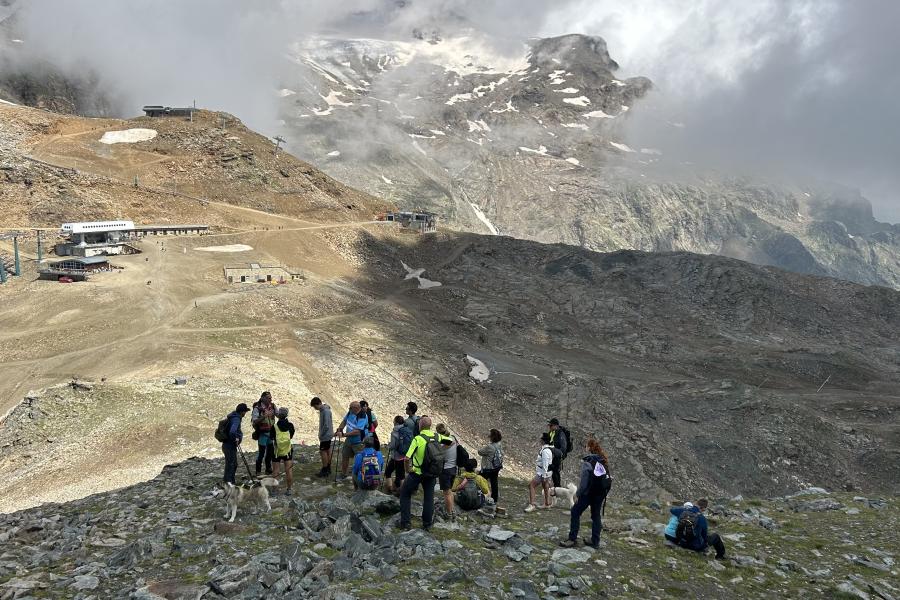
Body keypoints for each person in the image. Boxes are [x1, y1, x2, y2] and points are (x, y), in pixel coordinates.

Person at [560, 438, 612, 549]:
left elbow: (584, 483)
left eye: (586, 446)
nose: (585, 447)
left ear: (589, 448)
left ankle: (572, 539)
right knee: (596, 516)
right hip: (600, 494)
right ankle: (595, 541)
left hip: (588, 493)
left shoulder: (588, 462)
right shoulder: (602, 460)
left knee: (575, 512)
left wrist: (577, 494)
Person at [399, 416, 444, 530]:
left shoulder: (418, 439)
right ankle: (427, 524)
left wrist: (408, 470)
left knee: (405, 493)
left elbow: (407, 458)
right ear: (430, 426)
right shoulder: (437, 436)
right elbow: (451, 441)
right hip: (432, 473)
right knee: (429, 498)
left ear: (420, 426)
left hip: (417, 472)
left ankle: (406, 523)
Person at [334, 401, 368, 480]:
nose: (349, 409)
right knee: (345, 456)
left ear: (356, 408)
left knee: (360, 459)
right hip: (349, 439)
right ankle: (343, 474)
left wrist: (344, 435)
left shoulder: (363, 416)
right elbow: (344, 421)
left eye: (350, 408)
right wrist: (340, 429)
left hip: (359, 441)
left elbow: (357, 431)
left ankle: (361, 476)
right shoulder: (350, 412)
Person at [221, 403, 250, 485]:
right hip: (230, 445)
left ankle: (228, 482)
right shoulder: (236, 419)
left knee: (230, 463)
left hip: (227, 444)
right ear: (242, 412)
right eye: (245, 411)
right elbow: (232, 431)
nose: (245, 414)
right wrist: (236, 438)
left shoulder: (233, 417)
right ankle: (229, 483)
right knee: (232, 464)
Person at [435, 423, 459, 519]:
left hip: (445, 469)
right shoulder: (453, 437)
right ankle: (452, 511)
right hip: (453, 468)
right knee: (450, 491)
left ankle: (449, 514)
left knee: (446, 493)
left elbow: (437, 453)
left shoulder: (442, 443)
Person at [526, 433, 554, 512]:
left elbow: (545, 464)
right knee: (545, 487)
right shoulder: (548, 449)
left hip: (542, 472)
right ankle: (547, 503)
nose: (540, 439)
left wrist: (544, 476)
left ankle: (532, 505)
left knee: (531, 485)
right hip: (547, 473)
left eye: (541, 438)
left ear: (543, 440)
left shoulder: (545, 451)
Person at [251, 391, 277, 476]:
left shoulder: (272, 406)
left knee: (270, 452)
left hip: (271, 434)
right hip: (262, 434)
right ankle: (258, 471)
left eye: (271, 398)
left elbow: (278, 414)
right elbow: (254, 421)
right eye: (269, 398)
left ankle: (268, 468)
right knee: (261, 453)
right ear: (263, 398)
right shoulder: (257, 408)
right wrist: (264, 416)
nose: (270, 399)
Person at [271, 407, 296, 495]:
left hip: (276, 451)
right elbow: (291, 436)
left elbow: (271, 437)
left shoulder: (274, 426)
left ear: (278, 416)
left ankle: (274, 490)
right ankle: (289, 489)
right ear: (286, 415)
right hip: (288, 450)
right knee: (288, 470)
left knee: (276, 470)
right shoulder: (290, 425)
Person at [477, 428, 503, 504]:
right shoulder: (499, 445)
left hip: (488, 468)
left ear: (492, 436)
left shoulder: (489, 446)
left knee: (479, 481)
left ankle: (479, 497)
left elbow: (480, 452)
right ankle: (494, 499)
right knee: (494, 482)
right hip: (496, 467)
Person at [310, 397, 333, 478]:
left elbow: (326, 425)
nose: (315, 408)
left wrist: (320, 434)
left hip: (325, 435)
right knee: (327, 451)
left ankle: (325, 469)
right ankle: (328, 468)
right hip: (328, 434)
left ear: (318, 403)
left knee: (323, 452)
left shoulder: (325, 411)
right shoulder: (325, 410)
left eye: (315, 406)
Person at [384, 415, 408, 493]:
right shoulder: (406, 429)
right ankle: (401, 491)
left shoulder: (395, 431)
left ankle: (390, 489)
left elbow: (393, 445)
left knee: (388, 472)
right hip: (404, 455)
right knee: (401, 475)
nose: (393, 422)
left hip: (396, 456)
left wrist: (389, 446)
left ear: (396, 422)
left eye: (394, 421)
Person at [548, 418, 568, 488]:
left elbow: (563, 448)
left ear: (555, 426)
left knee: (555, 471)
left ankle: (557, 488)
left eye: (551, 425)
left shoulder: (561, 433)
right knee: (552, 470)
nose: (549, 427)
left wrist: (554, 451)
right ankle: (553, 487)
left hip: (558, 455)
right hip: (552, 454)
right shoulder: (552, 432)